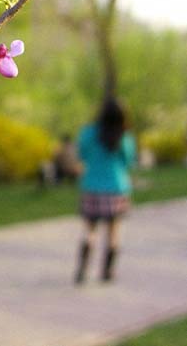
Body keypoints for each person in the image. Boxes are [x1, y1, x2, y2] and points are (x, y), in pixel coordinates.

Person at [74, 97, 136, 284]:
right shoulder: (124, 137)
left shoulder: (88, 133)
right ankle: (107, 272)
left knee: (89, 230)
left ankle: (82, 270)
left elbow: (82, 154)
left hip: (92, 186)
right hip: (116, 188)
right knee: (113, 232)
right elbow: (128, 161)